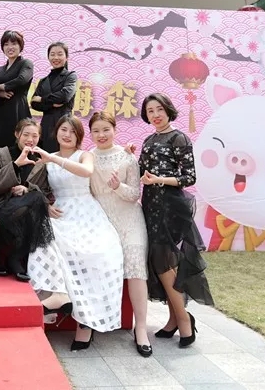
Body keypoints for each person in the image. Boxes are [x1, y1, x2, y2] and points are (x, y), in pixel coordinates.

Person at [28, 115, 124, 351]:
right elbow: (35, 187)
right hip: (61, 212)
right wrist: (46, 205)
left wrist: (53, 159)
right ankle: (56, 295)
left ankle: (86, 324)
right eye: (63, 129)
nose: (67, 134)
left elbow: (86, 171)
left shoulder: (84, 155)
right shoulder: (47, 158)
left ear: (79, 135)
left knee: (97, 256)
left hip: (87, 213)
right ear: (56, 132)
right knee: (45, 240)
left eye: (72, 131)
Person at [138, 93, 213, 349]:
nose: (155, 115)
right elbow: (142, 172)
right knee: (162, 264)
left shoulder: (178, 138)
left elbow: (189, 177)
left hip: (170, 207)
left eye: (159, 109)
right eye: (150, 111)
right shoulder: (149, 140)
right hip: (150, 206)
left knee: (164, 263)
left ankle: (184, 320)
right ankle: (174, 319)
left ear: (168, 110)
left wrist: (159, 180)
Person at [89, 111, 152, 357]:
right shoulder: (88, 157)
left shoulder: (127, 157)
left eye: (106, 129)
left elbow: (134, 194)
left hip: (129, 220)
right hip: (102, 221)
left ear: (115, 130)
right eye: (96, 131)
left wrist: (118, 187)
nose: (101, 135)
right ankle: (91, 322)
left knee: (135, 267)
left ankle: (141, 329)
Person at [0, 118, 54, 282]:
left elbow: (45, 193)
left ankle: (16, 256)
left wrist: (27, 189)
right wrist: (15, 165)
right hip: (1, 206)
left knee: (36, 199)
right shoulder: (1, 154)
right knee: (29, 205)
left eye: (35, 136)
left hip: (26, 211)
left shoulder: (40, 162)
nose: (30, 139)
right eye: (26, 135)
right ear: (17, 134)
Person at [0, 30, 34, 151]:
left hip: (18, 108)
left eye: (14, 44)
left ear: (20, 46)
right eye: (6, 44)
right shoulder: (0, 70)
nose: (10, 47)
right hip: (1, 111)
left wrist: (1, 86)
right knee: (0, 143)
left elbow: (22, 79)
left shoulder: (26, 63)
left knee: (17, 141)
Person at [30, 42, 78, 153]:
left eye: (60, 54)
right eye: (52, 54)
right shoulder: (43, 81)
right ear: (48, 57)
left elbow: (65, 96)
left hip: (65, 122)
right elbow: (34, 103)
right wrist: (52, 103)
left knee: (63, 155)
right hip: (46, 124)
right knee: (45, 155)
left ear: (66, 57)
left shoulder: (70, 76)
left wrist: (42, 99)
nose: (56, 57)